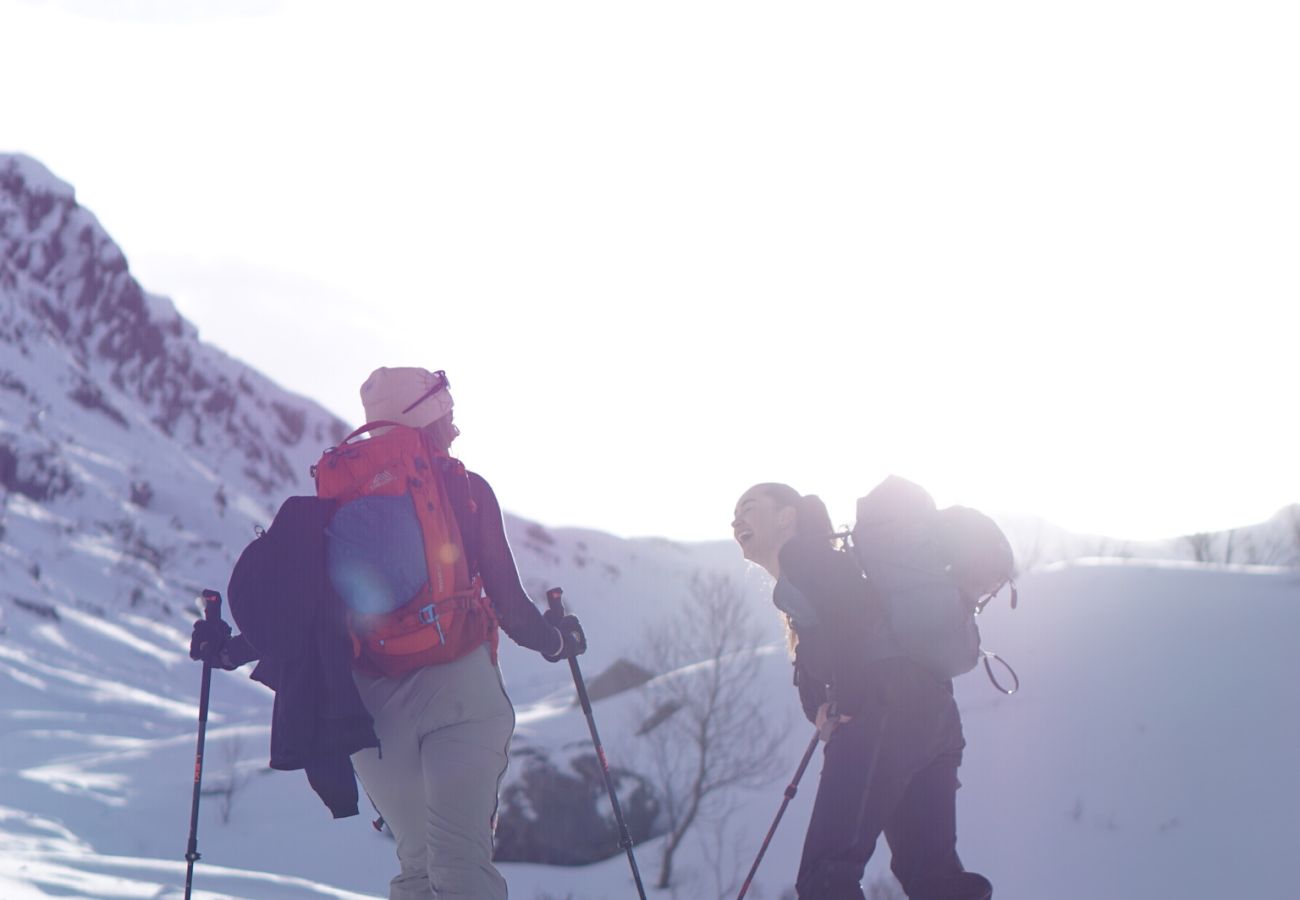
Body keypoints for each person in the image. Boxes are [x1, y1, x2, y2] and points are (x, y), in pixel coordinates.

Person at [192, 365, 587, 900]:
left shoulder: (338, 503)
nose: (456, 426)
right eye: (448, 413)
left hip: (375, 713)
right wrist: (557, 641)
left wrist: (226, 649)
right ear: (427, 415)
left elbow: (303, 615)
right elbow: (511, 608)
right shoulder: (463, 489)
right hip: (461, 696)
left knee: (418, 865)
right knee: (462, 863)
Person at [731, 483, 992, 900]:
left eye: (749, 507)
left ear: (786, 517)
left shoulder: (806, 558)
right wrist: (821, 706)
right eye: (734, 514)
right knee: (933, 878)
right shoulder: (814, 572)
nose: (736, 520)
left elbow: (849, 615)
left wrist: (847, 703)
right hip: (932, 716)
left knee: (825, 876)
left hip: (884, 714)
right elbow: (838, 644)